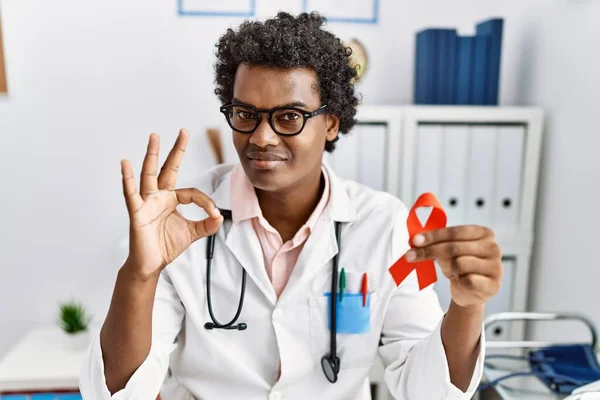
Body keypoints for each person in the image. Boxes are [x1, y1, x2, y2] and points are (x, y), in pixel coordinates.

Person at [80, 12, 503, 400]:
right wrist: (140, 274)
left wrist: (466, 307)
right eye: (246, 114)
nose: (261, 137)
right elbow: (114, 395)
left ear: (331, 122)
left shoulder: (385, 225)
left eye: (288, 117)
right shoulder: (181, 220)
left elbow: (429, 394)